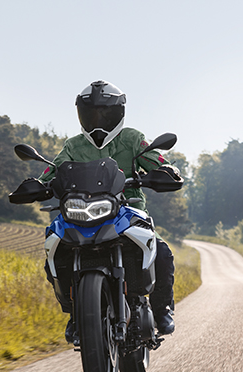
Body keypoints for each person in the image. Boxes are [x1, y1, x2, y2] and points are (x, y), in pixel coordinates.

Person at [38, 80, 179, 343]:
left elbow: (156, 159)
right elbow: (53, 171)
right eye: (92, 114)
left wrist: (167, 170)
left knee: (162, 253)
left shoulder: (132, 139)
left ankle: (162, 310)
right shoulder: (73, 146)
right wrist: (38, 184)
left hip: (127, 210)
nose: (99, 121)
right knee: (55, 252)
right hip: (80, 213)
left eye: (106, 113)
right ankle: (76, 313)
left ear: (119, 113)